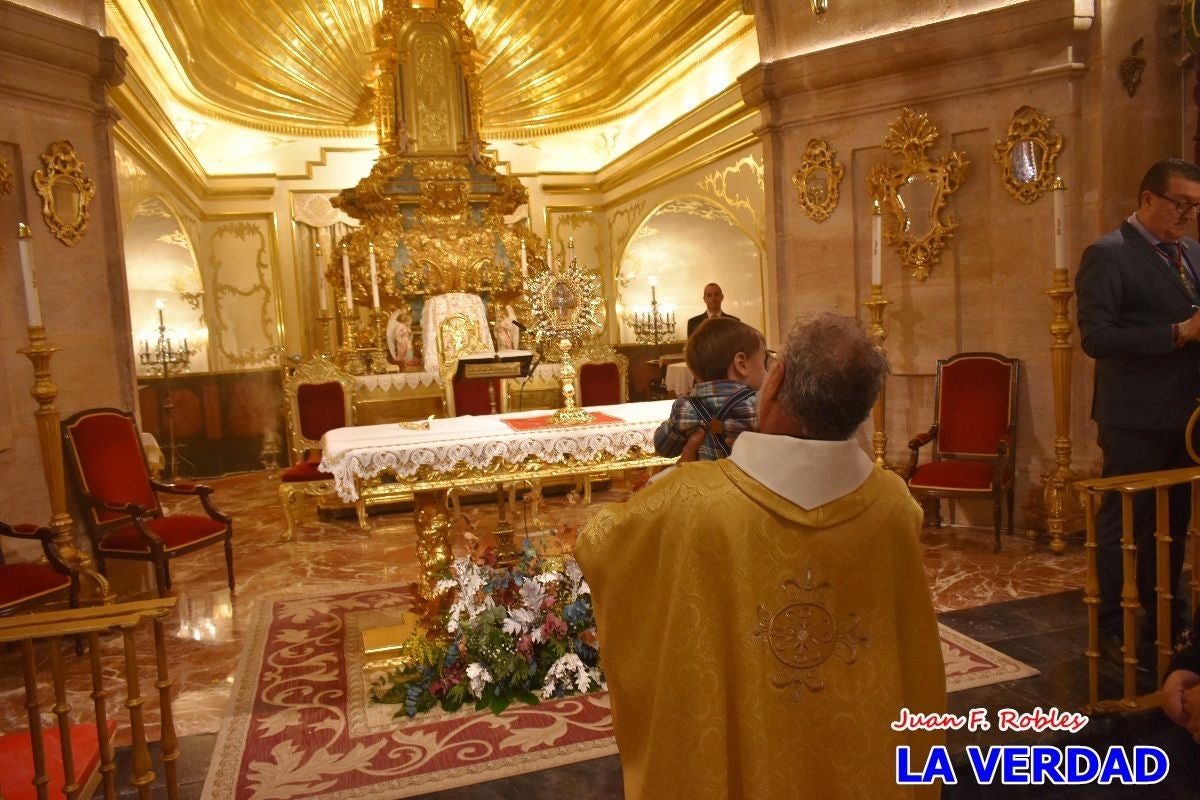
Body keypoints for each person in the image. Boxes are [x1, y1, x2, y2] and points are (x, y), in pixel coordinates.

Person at [576, 312, 945, 799]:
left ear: (778, 381)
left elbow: (599, 546)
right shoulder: (895, 506)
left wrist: (662, 485)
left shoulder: (688, 503)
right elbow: (911, 654)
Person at [1076, 157, 1200, 668]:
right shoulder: (1109, 255)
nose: (1189, 215)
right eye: (1181, 203)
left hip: (1186, 418)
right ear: (1148, 199)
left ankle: (1165, 617)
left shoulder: (1191, 251)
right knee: (1126, 525)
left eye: (1196, 206)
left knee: (1174, 522)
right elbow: (1096, 338)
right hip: (1134, 418)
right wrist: (1176, 334)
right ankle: (1109, 625)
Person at [653, 317, 766, 461]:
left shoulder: (686, 408)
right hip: (749, 483)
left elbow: (663, 448)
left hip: (703, 482)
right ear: (741, 364)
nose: (766, 371)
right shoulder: (757, 405)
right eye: (763, 361)